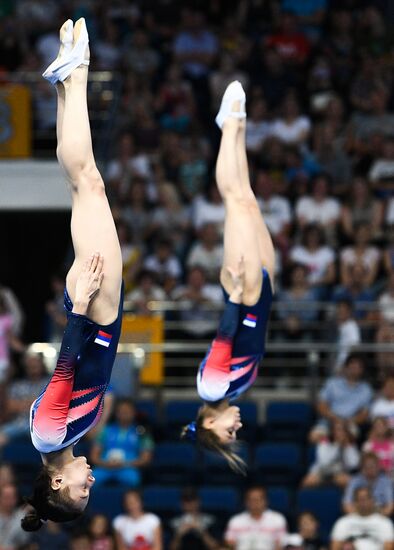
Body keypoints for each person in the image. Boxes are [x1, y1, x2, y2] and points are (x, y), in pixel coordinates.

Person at [21, 18, 123, 530]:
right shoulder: (63, 439)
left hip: (95, 310)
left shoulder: (47, 437)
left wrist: (81, 305)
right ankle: (65, 80)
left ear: (58, 483)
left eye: (82, 492)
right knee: (82, 185)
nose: (92, 483)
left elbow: (63, 368)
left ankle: (76, 75)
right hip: (97, 315)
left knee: (89, 184)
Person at [181, 81, 275, 471]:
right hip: (261, 294)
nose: (237, 427)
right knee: (248, 200)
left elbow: (223, 336)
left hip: (244, 292)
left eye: (229, 433)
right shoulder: (234, 389)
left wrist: (236, 296)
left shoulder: (212, 387)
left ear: (208, 421)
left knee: (234, 201)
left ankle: (231, 124)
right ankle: (232, 125)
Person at [90, 398, 154, 487]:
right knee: (90, 480)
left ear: (134, 413)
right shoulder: (105, 431)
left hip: (128, 468)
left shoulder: (141, 432)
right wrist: (105, 464)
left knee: (133, 480)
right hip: (105, 467)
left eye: (128, 411)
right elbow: (94, 456)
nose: (124, 414)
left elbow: (146, 459)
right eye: (121, 411)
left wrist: (125, 464)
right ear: (116, 413)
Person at [310, 354, 373, 443]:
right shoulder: (332, 383)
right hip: (329, 420)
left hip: (351, 423)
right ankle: (328, 453)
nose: (354, 370)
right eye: (351, 366)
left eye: (357, 367)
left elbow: (364, 414)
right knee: (314, 437)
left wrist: (349, 421)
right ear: (345, 368)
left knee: (349, 437)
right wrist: (334, 419)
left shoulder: (366, 389)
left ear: (362, 370)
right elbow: (321, 405)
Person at [224, 486, 287, 550]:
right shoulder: (236, 520)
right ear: (246, 502)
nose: (255, 503)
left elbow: (280, 545)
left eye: (258, 499)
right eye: (252, 500)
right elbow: (229, 544)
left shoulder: (277, 519)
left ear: (266, 501)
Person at [302, 419, 359, 488]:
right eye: (337, 430)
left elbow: (353, 464)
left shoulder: (349, 445)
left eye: (342, 430)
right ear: (332, 431)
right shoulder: (325, 441)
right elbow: (324, 462)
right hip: (321, 471)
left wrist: (346, 447)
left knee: (349, 482)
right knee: (307, 482)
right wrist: (338, 446)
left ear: (346, 432)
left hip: (338, 473)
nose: (339, 433)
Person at [343, 453, 394, 517]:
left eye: (373, 466)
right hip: (358, 514)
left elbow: (390, 505)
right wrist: (357, 517)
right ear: (362, 468)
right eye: (367, 466)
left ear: (378, 466)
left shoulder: (386, 481)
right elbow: (347, 504)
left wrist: (379, 518)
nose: (370, 469)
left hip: (380, 514)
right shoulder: (354, 481)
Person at [0, 483, 30, 548]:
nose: (9, 501)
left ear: (16, 499)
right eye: (6, 497)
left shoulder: (22, 517)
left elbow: (26, 543)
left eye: (12, 497)